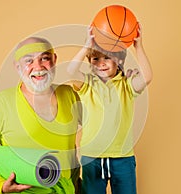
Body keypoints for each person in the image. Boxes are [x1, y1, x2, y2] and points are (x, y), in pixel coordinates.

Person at [0, 37, 81, 194]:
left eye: (44, 58)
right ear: (17, 66)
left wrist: (115, 80)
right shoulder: (2, 103)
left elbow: (102, 122)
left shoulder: (69, 94)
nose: (38, 66)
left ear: (54, 60)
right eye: (29, 61)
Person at [66, 24, 153, 194]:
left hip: (122, 157)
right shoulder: (87, 84)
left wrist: (139, 47)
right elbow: (70, 72)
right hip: (92, 157)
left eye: (107, 58)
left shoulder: (127, 85)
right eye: (95, 59)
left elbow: (147, 76)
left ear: (119, 59)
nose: (101, 64)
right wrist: (86, 47)